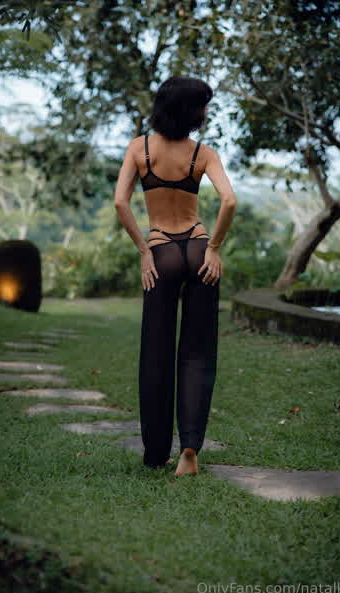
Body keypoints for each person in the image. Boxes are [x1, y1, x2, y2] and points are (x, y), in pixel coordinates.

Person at [114, 76, 237, 476]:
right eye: (203, 105)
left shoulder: (140, 149)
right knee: (199, 352)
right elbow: (229, 200)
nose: (205, 112)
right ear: (190, 110)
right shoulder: (203, 153)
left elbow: (120, 202)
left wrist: (144, 251)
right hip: (199, 248)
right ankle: (189, 450)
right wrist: (214, 248)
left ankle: (155, 454)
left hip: (161, 250)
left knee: (156, 352)